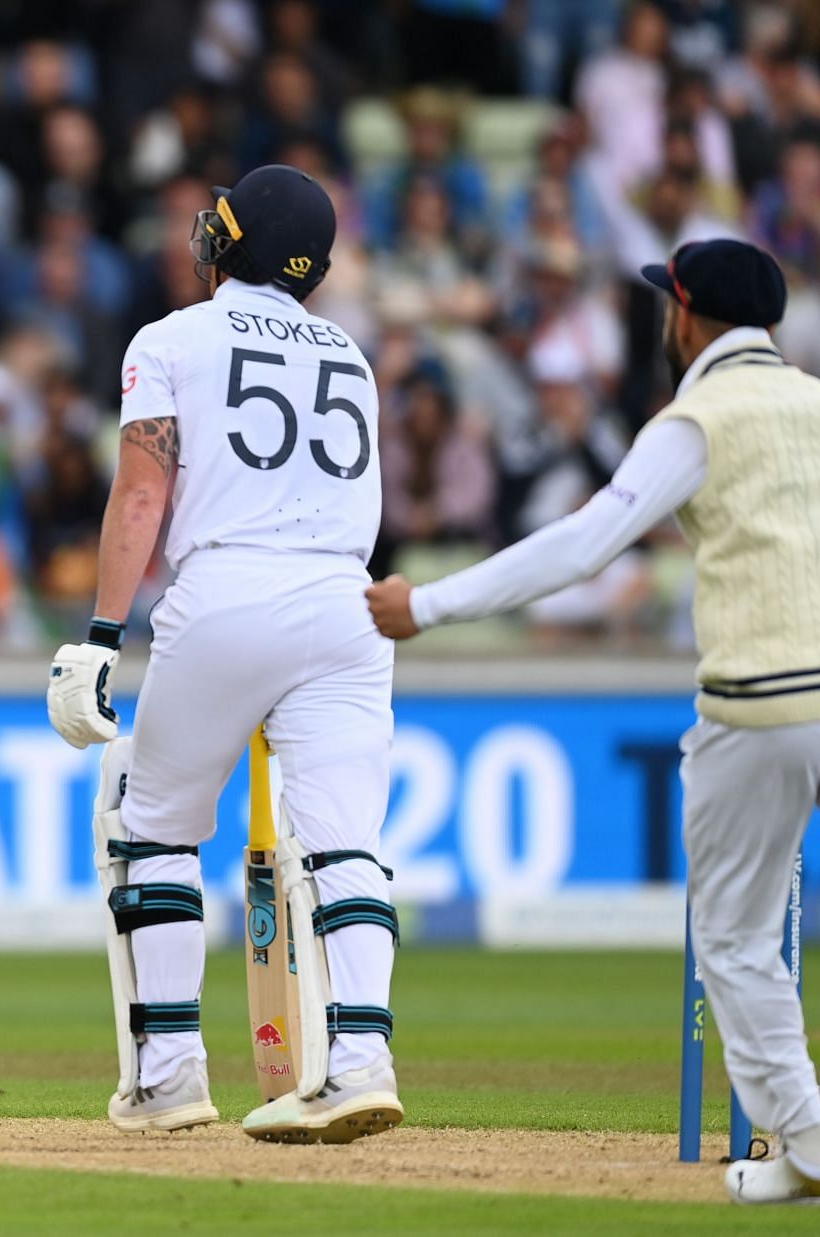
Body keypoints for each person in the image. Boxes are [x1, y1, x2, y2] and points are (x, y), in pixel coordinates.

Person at [367, 239, 820, 1206]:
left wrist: (430, 606)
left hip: (762, 700)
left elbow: (584, 544)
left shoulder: (694, 416)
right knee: (746, 935)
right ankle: (805, 1143)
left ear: (686, 318)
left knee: (734, 938)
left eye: (670, 306)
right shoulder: (815, 402)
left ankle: (813, 1139)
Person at [47, 166, 402, 1143]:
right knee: (344, 844)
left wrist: (102, 636)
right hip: (346, 603)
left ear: (231, 244)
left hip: (230, 592)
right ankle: (362, 1060)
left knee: (150, 822)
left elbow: (141, 495)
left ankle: (168, 1073)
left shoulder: (172, 338)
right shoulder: (351, 356)